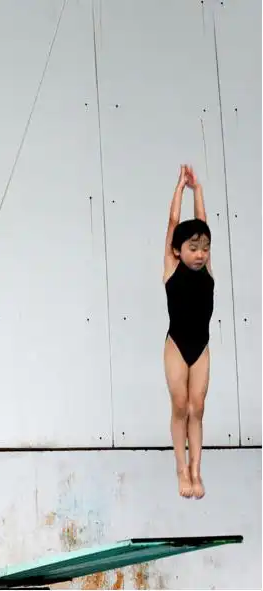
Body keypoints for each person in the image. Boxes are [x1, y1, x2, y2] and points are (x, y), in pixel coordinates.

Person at [163, 165, 214, 500]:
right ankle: (181, 470)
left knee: (198, 408)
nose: (200, 254)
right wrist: (181, 188)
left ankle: (196, 470)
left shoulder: (207, 270)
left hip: (201, 347)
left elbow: (202, 222)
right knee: (180, 406)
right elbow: (172, 224)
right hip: (177, 346)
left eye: (205, 248)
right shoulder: (171, 268)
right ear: (177, 250)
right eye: (193, 248)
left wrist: (200, 191)